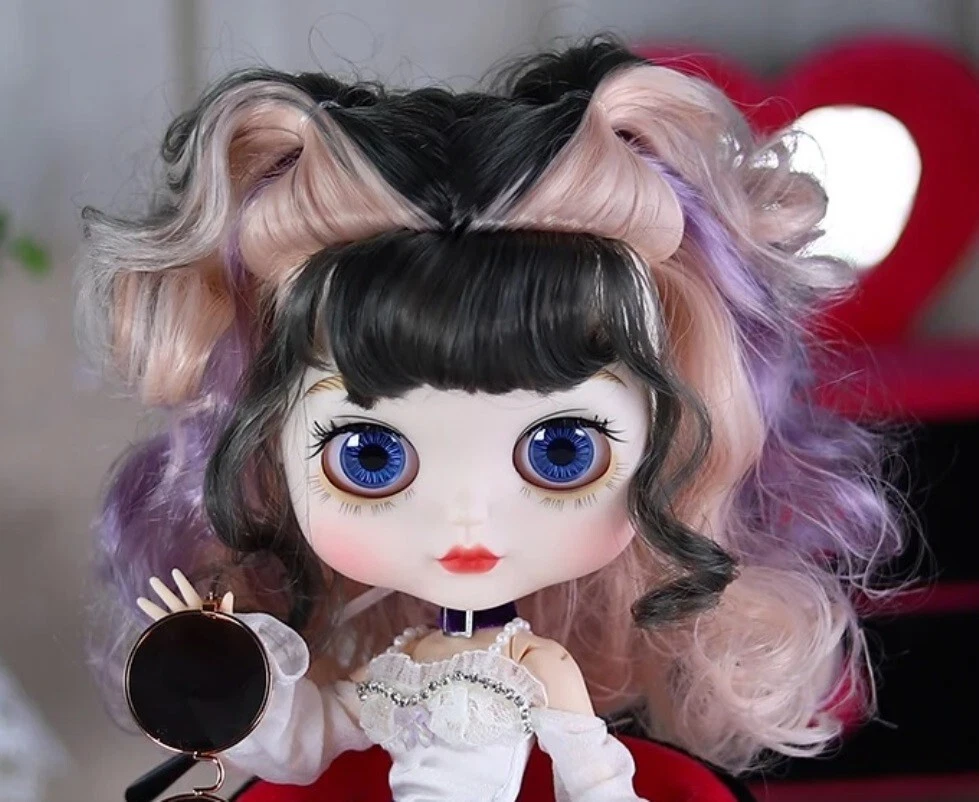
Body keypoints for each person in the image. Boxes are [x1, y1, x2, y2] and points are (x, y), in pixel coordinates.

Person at [78, 38, 903, 801]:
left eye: (563, 450)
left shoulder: (536, 670)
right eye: (368, 457)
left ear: (668, 446)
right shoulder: (396, 670)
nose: (467, 519)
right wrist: (227, 662)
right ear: (269, 453)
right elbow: (305, 747)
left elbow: (594, 776)